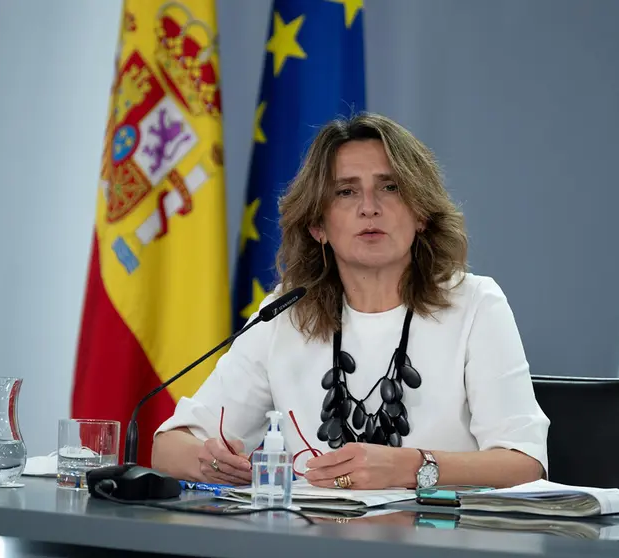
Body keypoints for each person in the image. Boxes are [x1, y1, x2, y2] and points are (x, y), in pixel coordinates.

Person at [152, 112, 549, 491]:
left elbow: (525, 464)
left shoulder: (476, 304)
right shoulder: (284, 316)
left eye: (390, 187)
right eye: (346, 191)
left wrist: (414, 466)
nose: (369, 206)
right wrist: (209, 462)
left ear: (421, 214)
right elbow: (167, 448)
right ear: (318, 225)